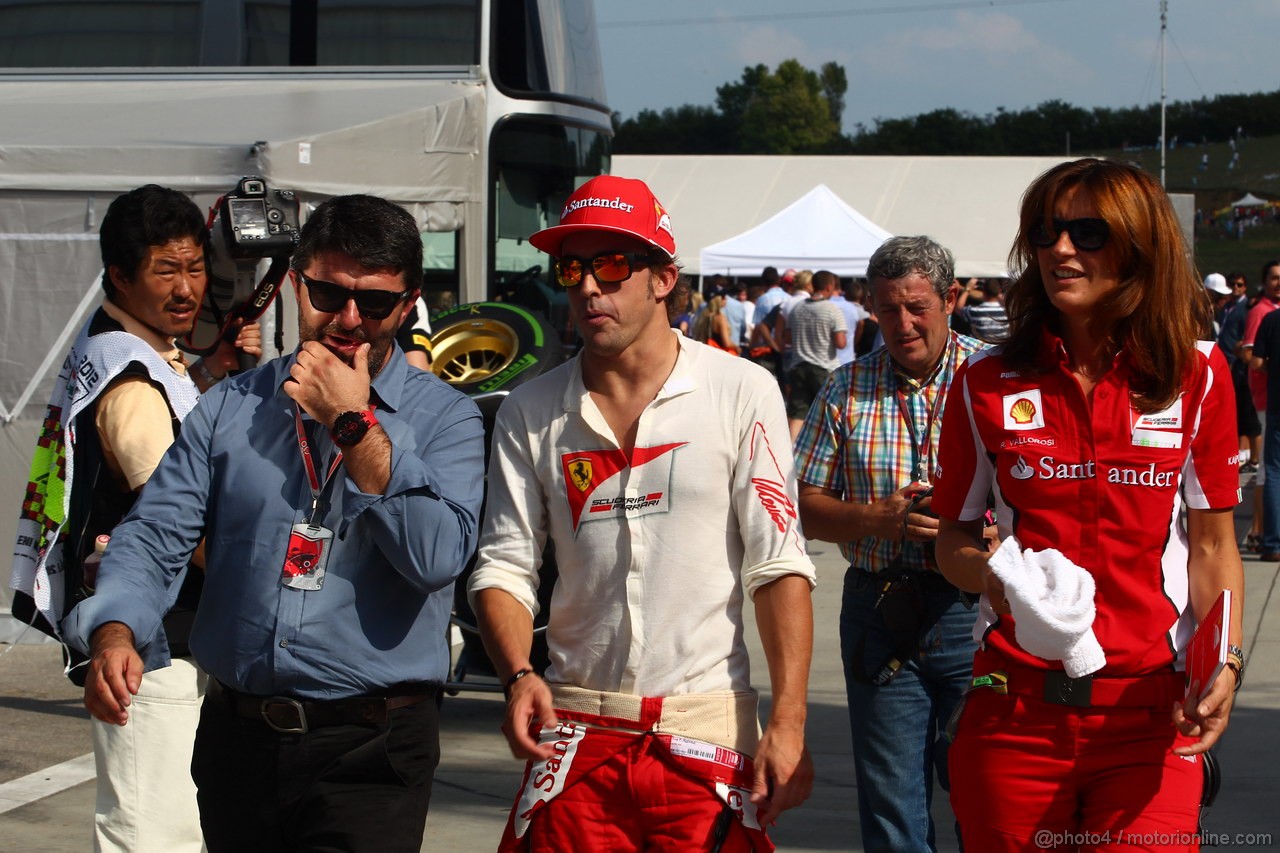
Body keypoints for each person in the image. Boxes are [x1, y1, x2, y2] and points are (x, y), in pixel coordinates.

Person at [64, 194, 486, 852]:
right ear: (296, 281)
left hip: (371, 749)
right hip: (241, 740)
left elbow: (435, 557)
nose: (348, 319)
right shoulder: (230, 407)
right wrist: (117, 628)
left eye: (373, 303)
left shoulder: (445, 420)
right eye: (326, 293)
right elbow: (153, 537)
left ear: (408, 306)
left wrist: (355, 428)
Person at [467, 174, 817, 852]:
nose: (590, 287)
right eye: (572, 268)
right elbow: (503, 567)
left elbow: (778, 563)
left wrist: (791, 719)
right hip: (575, 736)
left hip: (703, 734)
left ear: (664, 277)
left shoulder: (741, 389)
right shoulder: (529, 409)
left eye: (613, 264)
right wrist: (517, 676)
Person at [932, 158, 1244, 851]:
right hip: (1013, 715)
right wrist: (994, 579)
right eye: (1046, 232)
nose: (1060, 249)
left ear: (1138, 246)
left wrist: (1226, 662)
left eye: (1087, 231)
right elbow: (949, 539)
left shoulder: (1197, 374)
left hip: (1150, 719)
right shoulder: (984, 381)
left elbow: (1216, 545)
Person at [10, 184, 260, 853]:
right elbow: (174, 520)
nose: (186, 289)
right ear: (119, 275)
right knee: (155, 831)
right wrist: (269, 583)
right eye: (165, 271)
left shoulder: (128, 347)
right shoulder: (129, 385)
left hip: (165, 639)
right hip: (154, 651)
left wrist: (211, 367)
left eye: (195, 267)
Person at [794, 236, 983, 852]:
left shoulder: (992, 381)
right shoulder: (845, 390)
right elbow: (800, 504)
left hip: (976, 613)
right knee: (892, 805)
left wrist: (990, 529)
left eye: (917, 306)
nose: (903, 323)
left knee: (987, 794)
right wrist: (873, 519)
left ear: (951, 299)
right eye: (887, 308)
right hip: (882, 608)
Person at [785, 269, 846, 439]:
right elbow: (841, 343)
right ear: (829, 287)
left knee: (798, 415)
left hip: (798, 366)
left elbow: (787, 337)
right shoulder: (832, 309)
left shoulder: (797, 308)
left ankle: (790, 455)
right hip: (823, 367)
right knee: (827, 415)